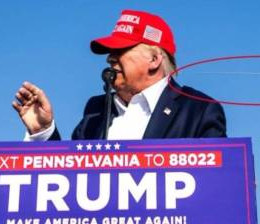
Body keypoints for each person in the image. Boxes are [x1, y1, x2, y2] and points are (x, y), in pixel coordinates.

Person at [12, 9, 226, 141]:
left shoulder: (199, 110)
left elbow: (217, 184)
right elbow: (69, 180)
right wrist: (43, 132)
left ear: (154, 60)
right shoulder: (95, 111)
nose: (110, 59)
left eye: (120, 50)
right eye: (109, 53)